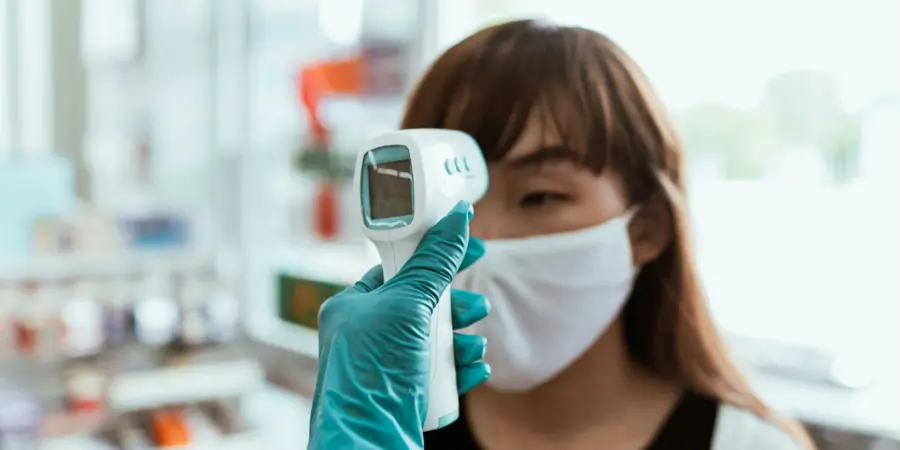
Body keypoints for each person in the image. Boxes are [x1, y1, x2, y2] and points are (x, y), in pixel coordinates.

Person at [309, 19, 814, 450]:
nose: (479, 238)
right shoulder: (392, 428)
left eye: (539, 197)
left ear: (645, 229)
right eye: (449, 204)